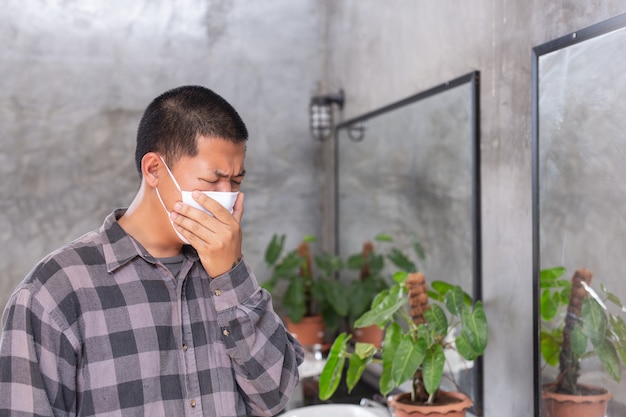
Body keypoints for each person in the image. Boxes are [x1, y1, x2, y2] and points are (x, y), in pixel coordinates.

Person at [0, 85, 304, 416]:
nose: (226, 196)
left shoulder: (225, 275)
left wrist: (232, 276)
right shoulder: (55, 292)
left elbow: (274, 397)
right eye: (212, 181)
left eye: (235, 183)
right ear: (154, 170)